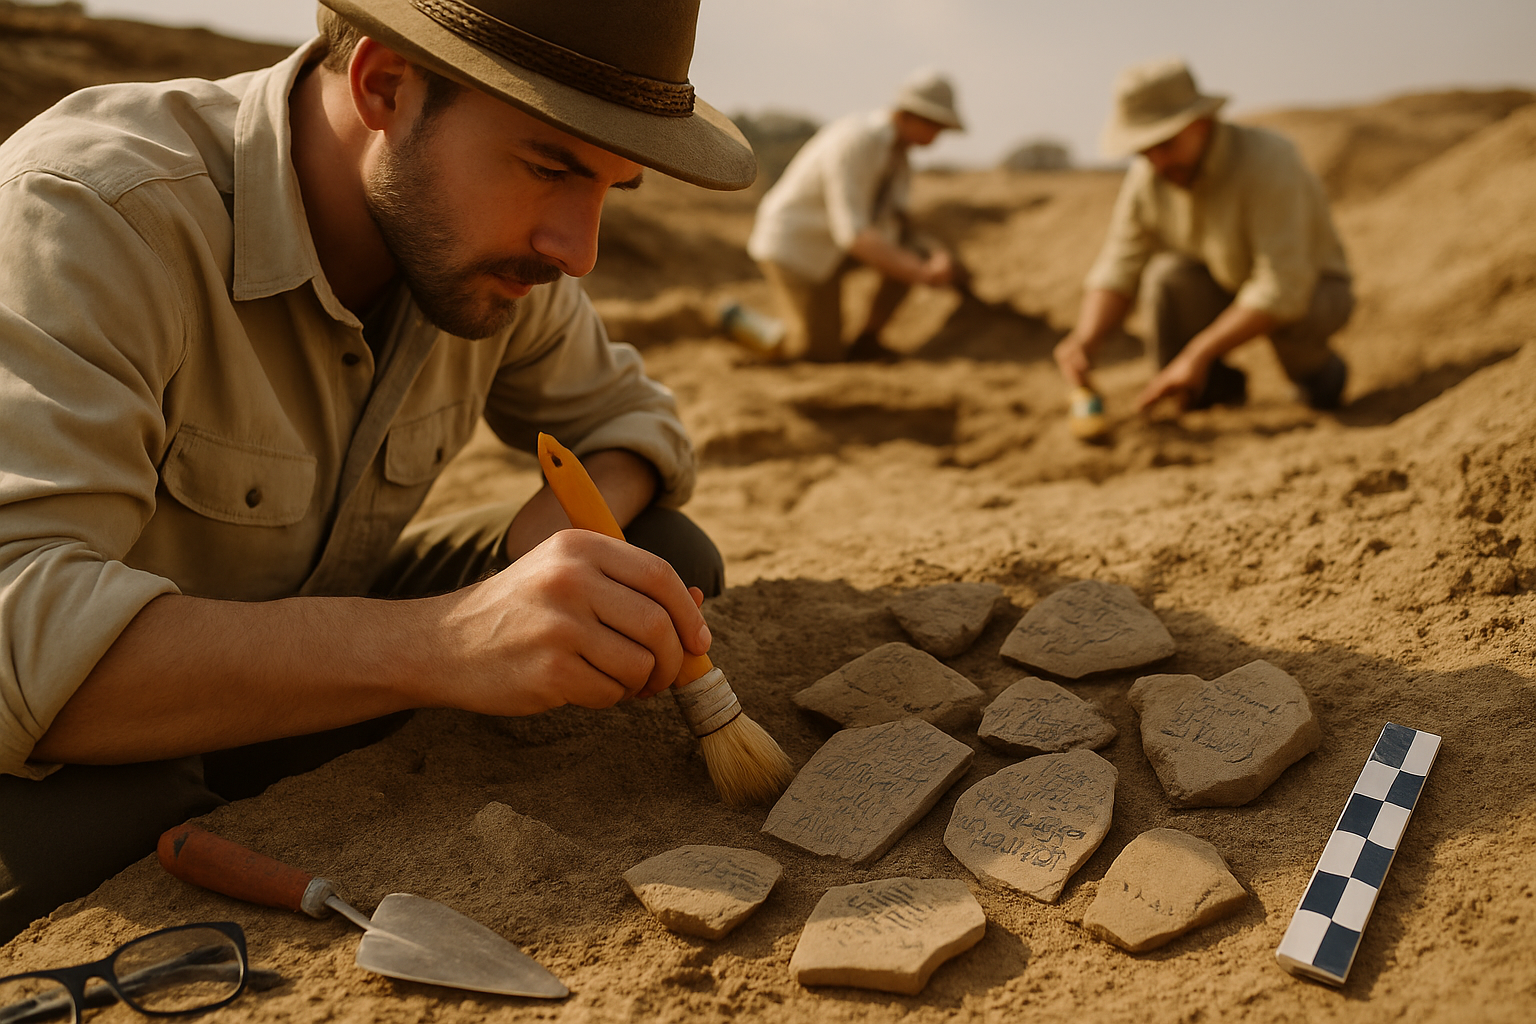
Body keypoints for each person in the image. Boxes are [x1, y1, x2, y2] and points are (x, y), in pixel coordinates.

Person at [0, 0, 757, 941]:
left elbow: (630, 419)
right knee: (107, 828)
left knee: (654, 553)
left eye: (611, 186)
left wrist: (559, 529)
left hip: (315, 634)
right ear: (386, 86)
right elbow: (17, 636)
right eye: (549, 166)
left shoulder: (496, 257)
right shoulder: (95, 213)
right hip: (98, 712)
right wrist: (445, 642)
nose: (579, 248)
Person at [1054, 57, 1354, 413]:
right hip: (1227, 283)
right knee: (1166, 279)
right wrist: (1087, 339)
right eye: (1144, 150)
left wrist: (1198, 352)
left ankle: (1316, 373)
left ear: (1202, 122)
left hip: (1313, 289)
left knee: (1316, 379)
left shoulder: (1270, 160)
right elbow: (1120, 263)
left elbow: (1284, 287)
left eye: (1165, 144)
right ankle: (1211, 387)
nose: (1157, 161)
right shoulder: (1148, 176)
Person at [746, 69, 966, 363]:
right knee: (816, 353)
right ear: (909, 115)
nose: (937, 136)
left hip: (831, 249)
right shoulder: (857, 140)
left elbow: (899, 224)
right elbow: (854, 235)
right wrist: (920, 272)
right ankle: (738, 321)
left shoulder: (899, 159)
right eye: (935, 125)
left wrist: (935, 254)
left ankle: (868, 341)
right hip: (796, 249)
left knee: (911, 253)